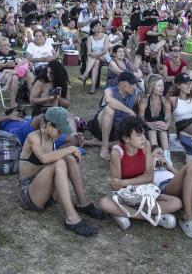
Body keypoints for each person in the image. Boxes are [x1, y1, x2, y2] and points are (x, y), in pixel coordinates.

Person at [18, 107, 104, 237]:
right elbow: (44, 158)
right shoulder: (33, 137)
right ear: (45, 124)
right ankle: (71, 218)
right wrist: (71, 148)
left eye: (62, 130)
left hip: (47, 193)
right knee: (60, 161)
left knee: (68, 158)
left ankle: (83, 203)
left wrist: (71, 151)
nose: (60, 133)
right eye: (58, 129)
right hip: (30, 195)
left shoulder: (51, 137)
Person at [98, 117, 181, 231]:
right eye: (138, 135)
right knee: (104, 203)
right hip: (126, 194)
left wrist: (124, 182)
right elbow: (117, 185)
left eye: (143, 134)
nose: (143, 138)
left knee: (176, 202)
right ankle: (151, 217)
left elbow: (149, 177)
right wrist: (123, 183)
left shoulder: (146, 145)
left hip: (145, 191)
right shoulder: (117, 153)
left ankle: (125, 213)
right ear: (126, 138)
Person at [87, 71, 141, 160]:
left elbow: (136, 113)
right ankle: (104, 148)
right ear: (122, 84)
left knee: (129, 142)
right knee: (109, 109)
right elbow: (108, 100)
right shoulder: (110, 90)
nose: (134, 86)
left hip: (117, 130)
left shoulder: (134, 94)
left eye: (134, 84)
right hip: (100, 127)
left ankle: (94, 142)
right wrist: (128, 110)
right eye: (131, 84)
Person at [0, 39, 34, 108]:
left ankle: (33, 99)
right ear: (0, 46)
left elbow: (20, 61)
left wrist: (27, 63)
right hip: (2, 73)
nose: (6, 47)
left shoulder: (12, 52)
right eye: (4, 45)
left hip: (15, 71)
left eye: (8, 45)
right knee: (14, 77)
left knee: (30, 75)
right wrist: (4, 65)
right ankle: (13, 103)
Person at [138, 75, 171, 150]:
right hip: (148, 132)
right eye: (159, 86)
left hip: (163, 133)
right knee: (152, 131)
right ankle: (155, 155)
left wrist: (166, 125)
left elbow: (168, 118)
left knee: (162, 130)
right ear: (152, 87)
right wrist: (149, 124)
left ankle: (167, 156)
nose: (162, 88)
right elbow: (141, 119)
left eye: (162, 85)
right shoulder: (144, 102)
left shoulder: (165, 102)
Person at [78, 20, 110, 93]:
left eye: (100, 25)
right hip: (94, 58)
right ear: (92, 29)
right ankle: (93, 87)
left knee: (95, 54)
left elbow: (105, 50)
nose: (99, 27)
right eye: (96, 26)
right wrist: (94, 54)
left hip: (104, 56)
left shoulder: (106, 36)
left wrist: (96, 54)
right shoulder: (90, 38)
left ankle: (85, 74)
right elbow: (89, 52)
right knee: (97, 62)